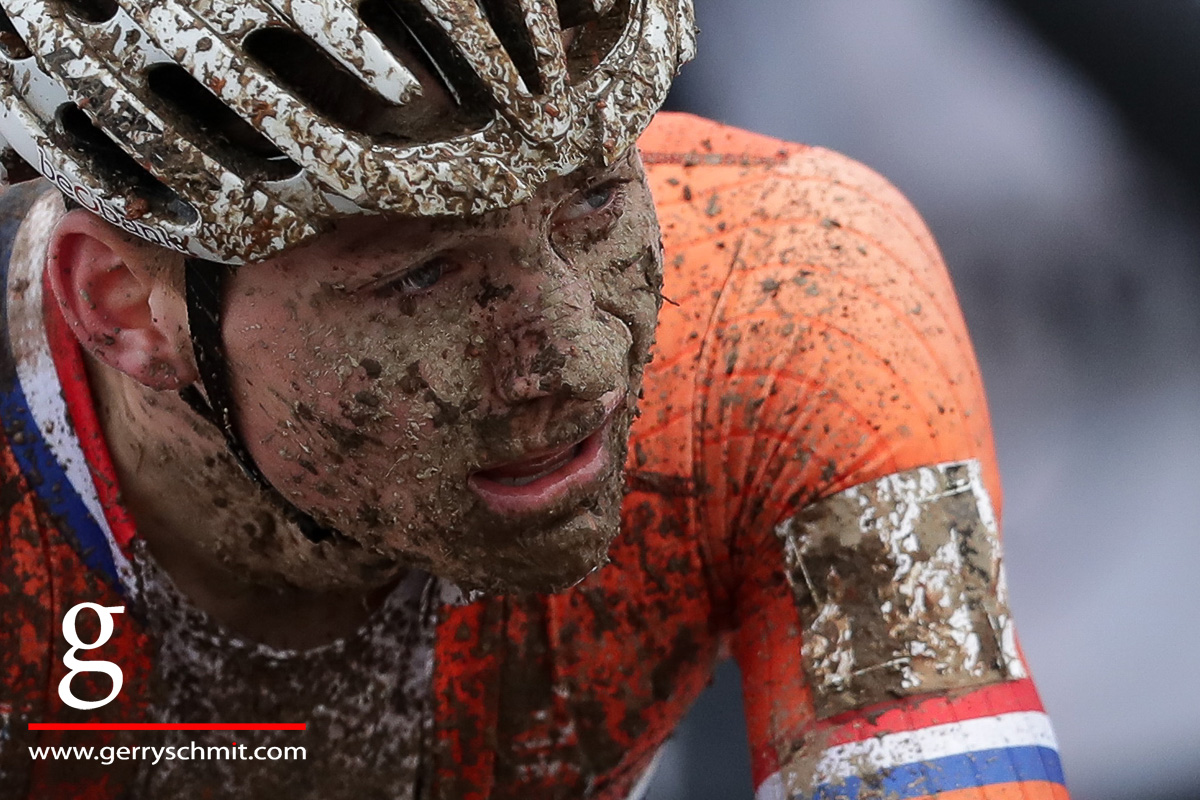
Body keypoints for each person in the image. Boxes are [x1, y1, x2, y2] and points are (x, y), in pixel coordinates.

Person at [0, 1, 1070, 798]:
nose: (570, 357)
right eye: (419, 274)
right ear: (122, 305)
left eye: (597, 199)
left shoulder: (787, 302)